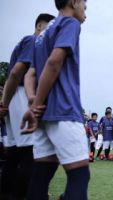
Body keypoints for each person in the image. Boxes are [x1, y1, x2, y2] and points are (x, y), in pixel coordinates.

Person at [20, 1, 89, 199]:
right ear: (74, 2)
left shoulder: (42, 36)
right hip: (63, 110)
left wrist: (33, 100)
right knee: (79, 176)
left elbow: (30, 74)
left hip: (43, 116)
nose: (85, 12)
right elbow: (54, 61)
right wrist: (35, 106)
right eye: (85, 5)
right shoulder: (70, 23)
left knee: (41, 176)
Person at [0, 13, 55, 200]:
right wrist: (6, 103)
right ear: (39, 26)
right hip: (22, 96)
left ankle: (8, 194)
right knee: (30, 153)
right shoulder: (33, 41)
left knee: (15, 153)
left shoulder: (26, 42)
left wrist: (5, 103)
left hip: (14, 97)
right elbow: (16, 73)